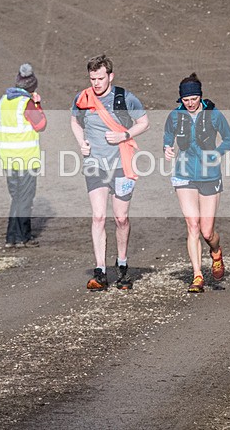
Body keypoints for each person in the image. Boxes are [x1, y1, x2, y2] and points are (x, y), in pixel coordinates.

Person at [71, 54, 149, 291]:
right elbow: (74, 121)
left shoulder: (125, 98)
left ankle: (122, 267)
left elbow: (144, 122)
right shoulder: (82, 98)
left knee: (121, 218)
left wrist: (124, 135)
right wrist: (81, 142)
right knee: (98, 217)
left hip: (122, 164)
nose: (96, 83)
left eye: (100, 78)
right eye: (92, 78)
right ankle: (100, 271)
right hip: (95, 165)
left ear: (110, 76)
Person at [163, 73, 230, 293]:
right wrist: (167, 148)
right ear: (180, 99)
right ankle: (197, 276)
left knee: (206, 231)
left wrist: (217, 153)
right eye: (186, 99)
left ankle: (216, 252)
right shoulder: (174, 116)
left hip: (209, 176)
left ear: (200, 96)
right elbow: (168, 137)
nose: (190, 103)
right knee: (192, 225)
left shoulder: (213, 114)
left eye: (193, 98)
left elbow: (229, 139)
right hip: (184, 174)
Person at [0, 63, 47, 248]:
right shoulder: (27, 104)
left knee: (17, 197)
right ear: (32, 87)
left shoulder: (2, 102)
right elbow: (41, 125)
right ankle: (22, 237)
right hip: (25, 158)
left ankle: (12, 237)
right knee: (25, 197)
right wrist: (38, 104)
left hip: (7, 158)